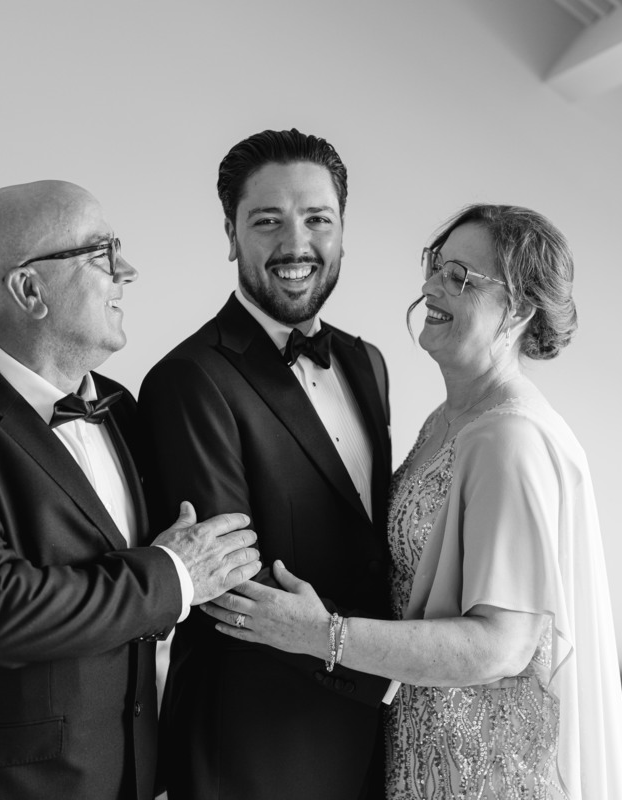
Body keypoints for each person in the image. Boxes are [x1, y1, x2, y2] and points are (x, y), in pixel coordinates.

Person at [204, 204, 622, 799]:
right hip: (420, 746)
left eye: (461, 277)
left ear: (519, 310)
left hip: (482, 770)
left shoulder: (509, 437)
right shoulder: (448, 418)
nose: (432, 286)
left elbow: (502, 645)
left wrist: (322, 633)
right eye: (436, 265)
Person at [0, 180, 263, 800]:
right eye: (101, 253)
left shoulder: (121, 408)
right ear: (30, 289)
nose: (126, 271)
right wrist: (175, 576)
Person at [138, 129, 393, 799]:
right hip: (254, 745)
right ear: (231, 235)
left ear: (343, 232)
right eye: (268, 221)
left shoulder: (366, 362)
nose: (296, 244)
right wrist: (394, 665)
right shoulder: (190, 378)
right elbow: (227, 583)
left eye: (317, 219)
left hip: (372, 740)